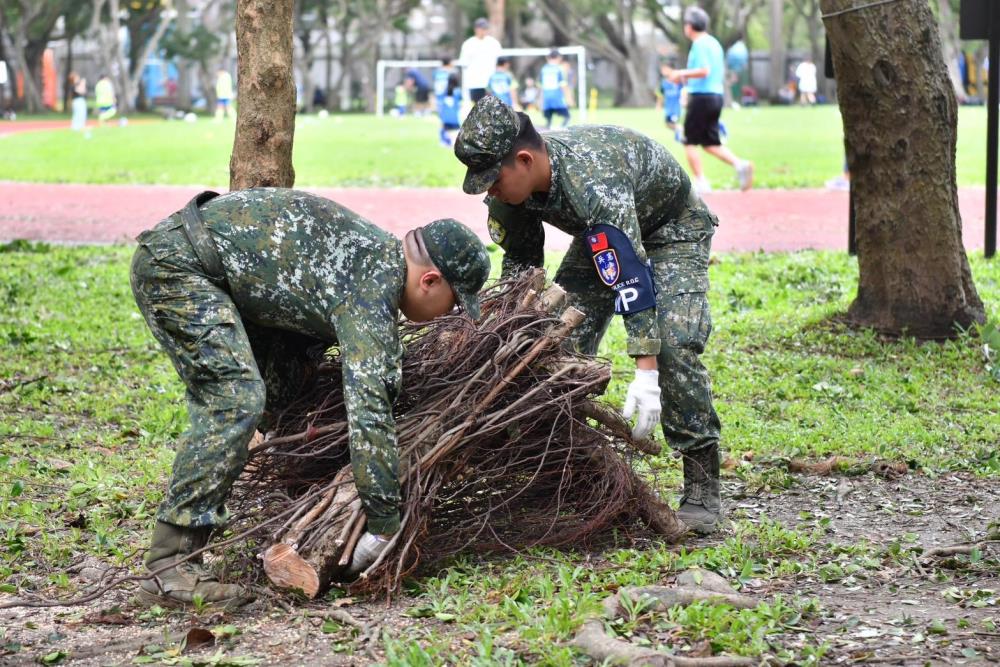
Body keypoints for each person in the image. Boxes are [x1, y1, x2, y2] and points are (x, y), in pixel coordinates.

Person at [130, 189, 491, 608]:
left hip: (208, 268)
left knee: (286, 388)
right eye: (453, 303)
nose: (448, 316)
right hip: (178, 267)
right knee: (235, 399)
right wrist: (383, 524)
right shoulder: (372, 292)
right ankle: (168, 567)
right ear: (430, 280)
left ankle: (235, 525)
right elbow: (370, 413)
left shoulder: (375, 258)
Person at [453, 96, 725, 536]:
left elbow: (631, 277)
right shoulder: (509, 195)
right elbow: (524, 273)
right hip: (599, 234)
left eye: (493, 179)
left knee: (674, 344)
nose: (489, 190)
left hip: (671, 228)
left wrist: (646, 373)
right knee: (550, 344)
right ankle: (560, 471)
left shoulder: (592, 181)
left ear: (524, 159)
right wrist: (504, 332)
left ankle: (702, 482)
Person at [666, 7, 752, 193]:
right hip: (716, 96)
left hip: (702, 98)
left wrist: (680, 73)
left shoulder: (700, 44)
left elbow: (705, 71)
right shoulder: (714, 43)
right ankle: (740, 165)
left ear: (689, 26)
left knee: (688, 141)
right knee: (710, 143)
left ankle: (701, 182)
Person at [458, 17, 502, 103]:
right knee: (477, 106)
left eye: (485, 28)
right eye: (481, 28)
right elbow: (463, 63)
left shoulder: (493, 43)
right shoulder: (468, 44)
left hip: (490, 81)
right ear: (476, 29)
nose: (483, 31)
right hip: (474, 82)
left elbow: (500, 61)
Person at [540, 49, 571, 129]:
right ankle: (562, 130)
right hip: (556, 96)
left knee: (548, 120)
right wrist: (568, 98)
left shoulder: (544, 69)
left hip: (547, 96)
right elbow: (563, 84)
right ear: (559, 57)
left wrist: (540, 99)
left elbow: (540, 85)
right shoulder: (559, 69)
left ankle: (547, 132)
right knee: (567, 117)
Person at [658, 63, 684, 143]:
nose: (663, 72)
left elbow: (685, 90)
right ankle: (679, 132)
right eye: (662, 70)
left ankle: (680, 136)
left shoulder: (678, 81)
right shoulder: (664, 83)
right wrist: (659, 105)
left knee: (673, 123)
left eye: (665, 69)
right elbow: (661, 94)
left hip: (676, 107)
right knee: (667, 124)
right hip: (668, 108)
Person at [438, 73, 463, 147]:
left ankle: (444, 140)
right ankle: (452, 140)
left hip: (445, 119)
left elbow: (440, 104)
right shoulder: (458, 91)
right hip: (455, 119)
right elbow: (460, 104)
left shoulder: (444, 92)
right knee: (456, 133)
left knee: (442, 128)